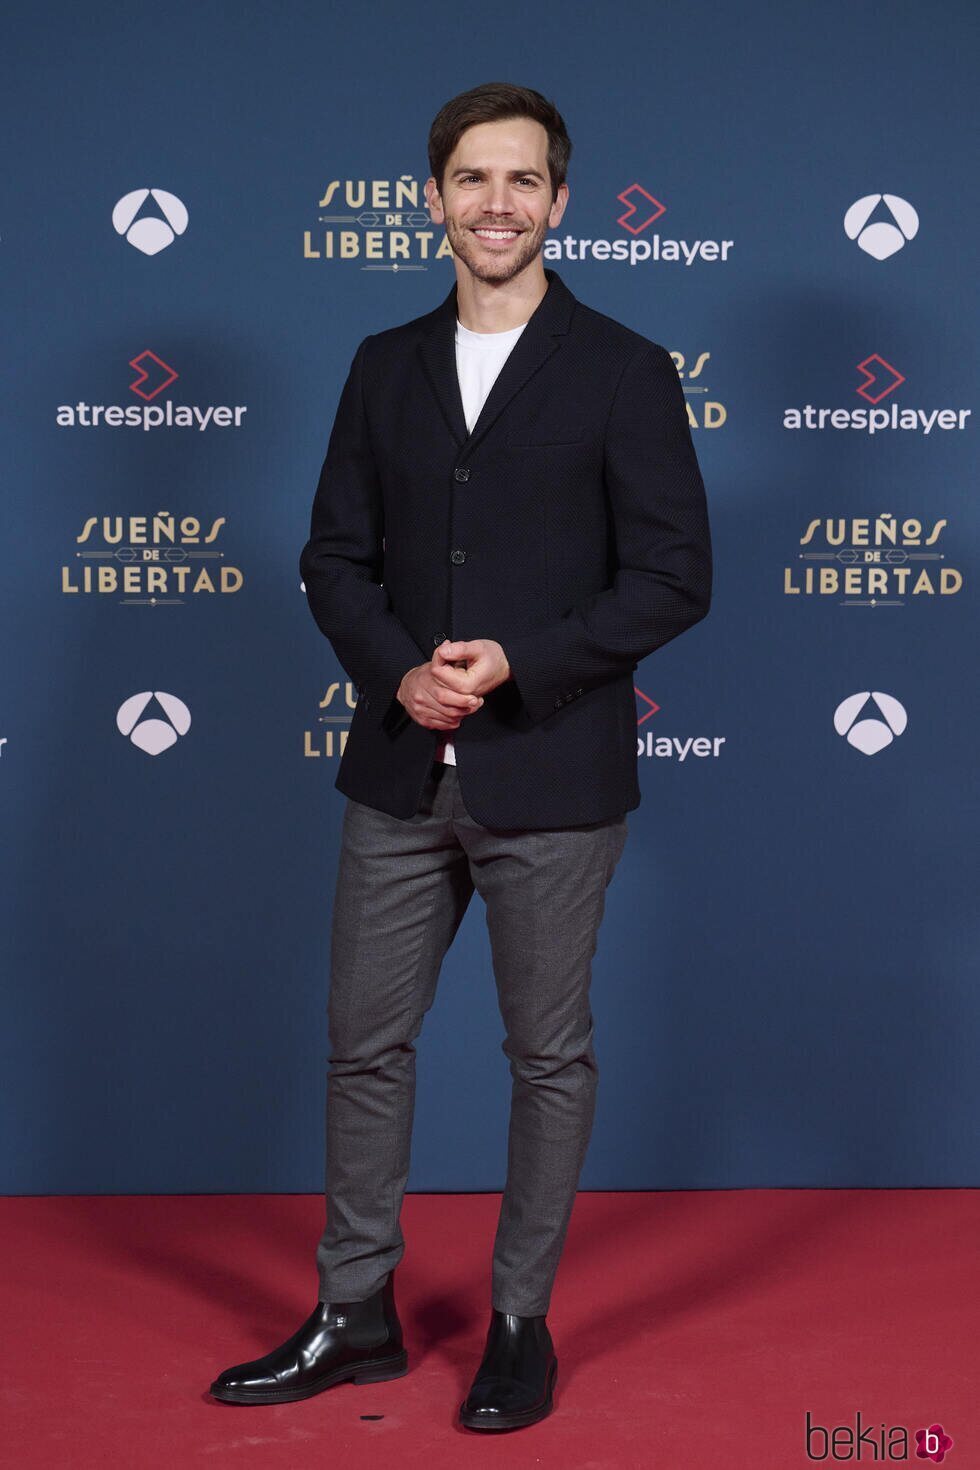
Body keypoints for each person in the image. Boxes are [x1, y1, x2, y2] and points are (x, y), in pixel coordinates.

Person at [210, 80, 711, 1432]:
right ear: (431, 200)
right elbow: (333, 555)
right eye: (472, 179)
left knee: (546, 1054)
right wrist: (397, 668)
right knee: (362, 1044)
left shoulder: (623, 368)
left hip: (551, 770)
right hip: (396, 769)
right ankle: (355, 1311)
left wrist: (514, 665)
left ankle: (519, 1323)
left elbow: (674, 577)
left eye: (524, 180)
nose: (498, 203)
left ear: (561, 200)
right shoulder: (383, 364)